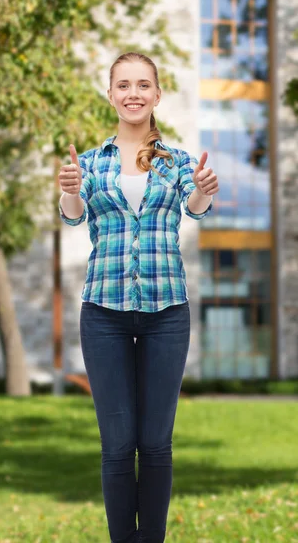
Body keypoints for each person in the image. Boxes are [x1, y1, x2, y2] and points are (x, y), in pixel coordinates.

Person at [57, 52, 218, 543]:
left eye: (143, 84)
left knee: (155, 445)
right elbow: (73, 215)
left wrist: (204, 192)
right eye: (123, 85)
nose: (133, 93)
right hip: (103, 313)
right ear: (110, 94)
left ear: (156, 94)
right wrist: (68, 191)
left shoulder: (178, 161)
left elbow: (195, 208)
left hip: (166, 312)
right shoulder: (88, 162)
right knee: (117, 444)